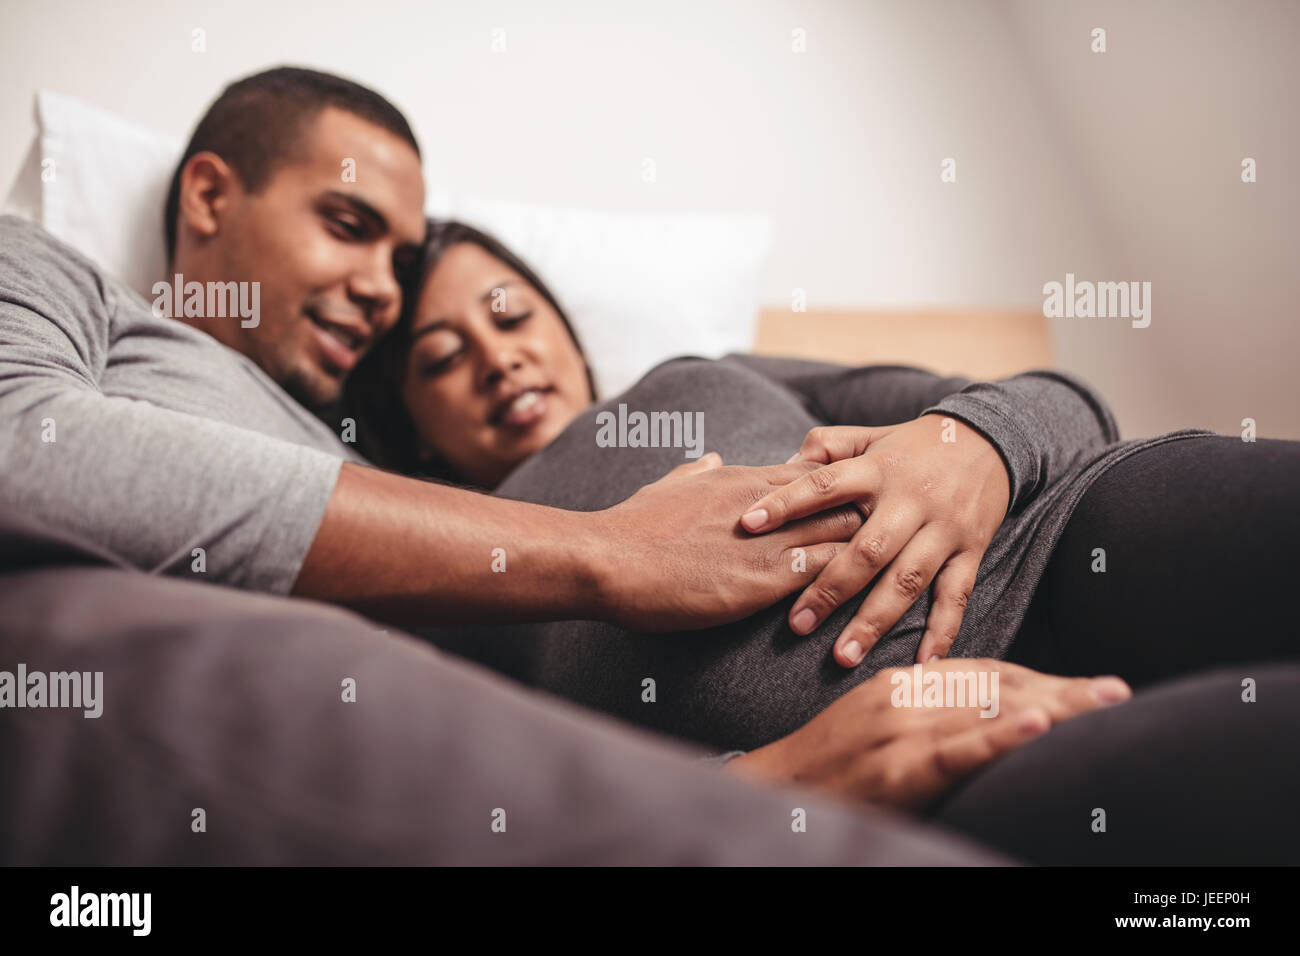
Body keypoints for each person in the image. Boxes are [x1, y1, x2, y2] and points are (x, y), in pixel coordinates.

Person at [0, 65, 1131, 863]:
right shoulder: (62, 285)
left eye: (400, 259)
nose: (384, 289)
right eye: (346, 223)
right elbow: (23, 442)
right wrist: (605, 558)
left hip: (1046, 554)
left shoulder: (424, 500)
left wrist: (977, 438)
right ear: (206, 194)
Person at [340, 218, 1300, 863]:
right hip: (909, 754)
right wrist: (750, 786)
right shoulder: (461, 567)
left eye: (509, 315)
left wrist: (977, 444)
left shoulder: (705, 374)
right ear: (418, 428)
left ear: (562, 323)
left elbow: (1070, 405)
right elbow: (529, 795)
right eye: (442, 358)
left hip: (1066, 540)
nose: (497, 356)